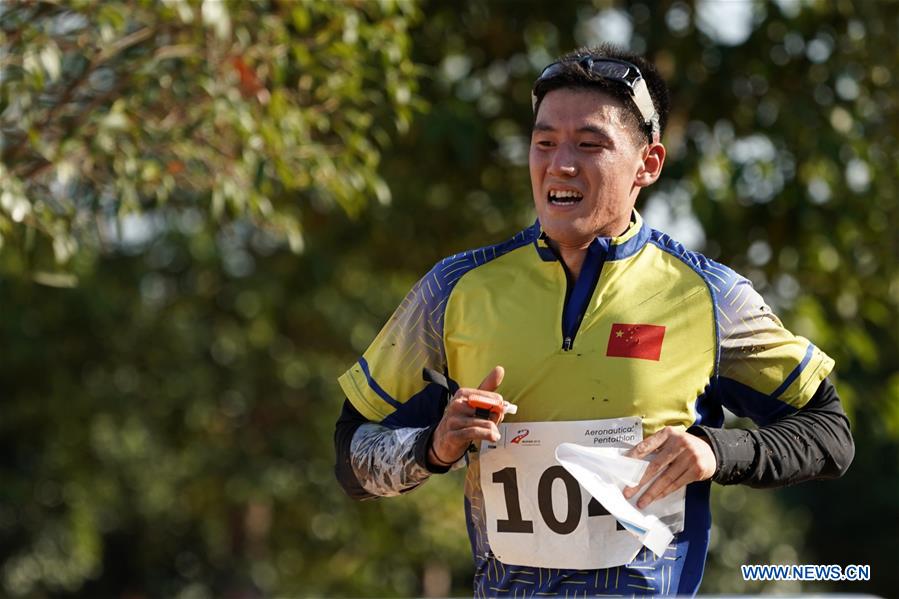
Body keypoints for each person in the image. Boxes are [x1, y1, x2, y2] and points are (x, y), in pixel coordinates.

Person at [333, 45, 854, 596]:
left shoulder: (709, 296)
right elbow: (350, 455)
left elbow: (830, 435)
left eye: (590, 144)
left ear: (647, 164)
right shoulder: (453, 290)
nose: (560, 163)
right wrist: (431, 449)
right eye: (544, 142)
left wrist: (717, 452)